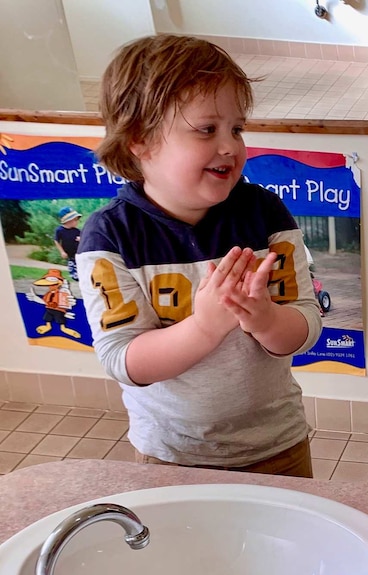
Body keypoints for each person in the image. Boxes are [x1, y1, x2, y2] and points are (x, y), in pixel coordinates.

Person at [78, 34, 323, 477]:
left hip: (278, 446)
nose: (229, 145)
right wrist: (206, 325)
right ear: (139, 139)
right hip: (171, 454)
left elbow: (304, 326)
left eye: (236, 128)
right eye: (207, 129)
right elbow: (123, 360)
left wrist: (265, 319)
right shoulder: (109, 235)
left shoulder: (264, 213)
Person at [54, 206, 82, 281]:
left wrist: (81, 240)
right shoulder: (59, 230)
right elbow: (56, 241)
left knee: (81, 271)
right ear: (68, 220)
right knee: (74, 274)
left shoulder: (77, 231)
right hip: (70, 256)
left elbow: (85, 240)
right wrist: (62, 252)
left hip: (79, 255)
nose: (77, 222)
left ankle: (83, 280)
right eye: (75, 220)